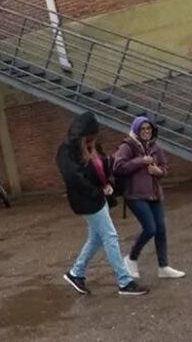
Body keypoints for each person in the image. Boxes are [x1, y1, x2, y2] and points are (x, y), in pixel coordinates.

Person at [57, 111, 148, 296]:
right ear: (82, 135)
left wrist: (112, 180)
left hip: (99, 197)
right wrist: (97, 190)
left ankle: (76, 273)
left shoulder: (93, 147)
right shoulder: (66, 151)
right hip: (87, 200)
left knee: (96, 238)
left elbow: (102, 167)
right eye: (90, 137)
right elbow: (74, 177)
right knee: (110, 236)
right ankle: (124, 281)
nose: (93, 140)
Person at [113, 115, 186, 280]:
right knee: (150, 228)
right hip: (135, 195)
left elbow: (164, 167)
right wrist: (141, 161)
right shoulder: (127, 146)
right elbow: (118, 167)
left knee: (161, 229)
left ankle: (163, 267)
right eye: (143, 129)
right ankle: (131, 259)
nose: (146, 132)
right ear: (136, 130)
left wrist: (159, 171)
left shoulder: (155, 146)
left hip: (154, 194)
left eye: (149, 129)